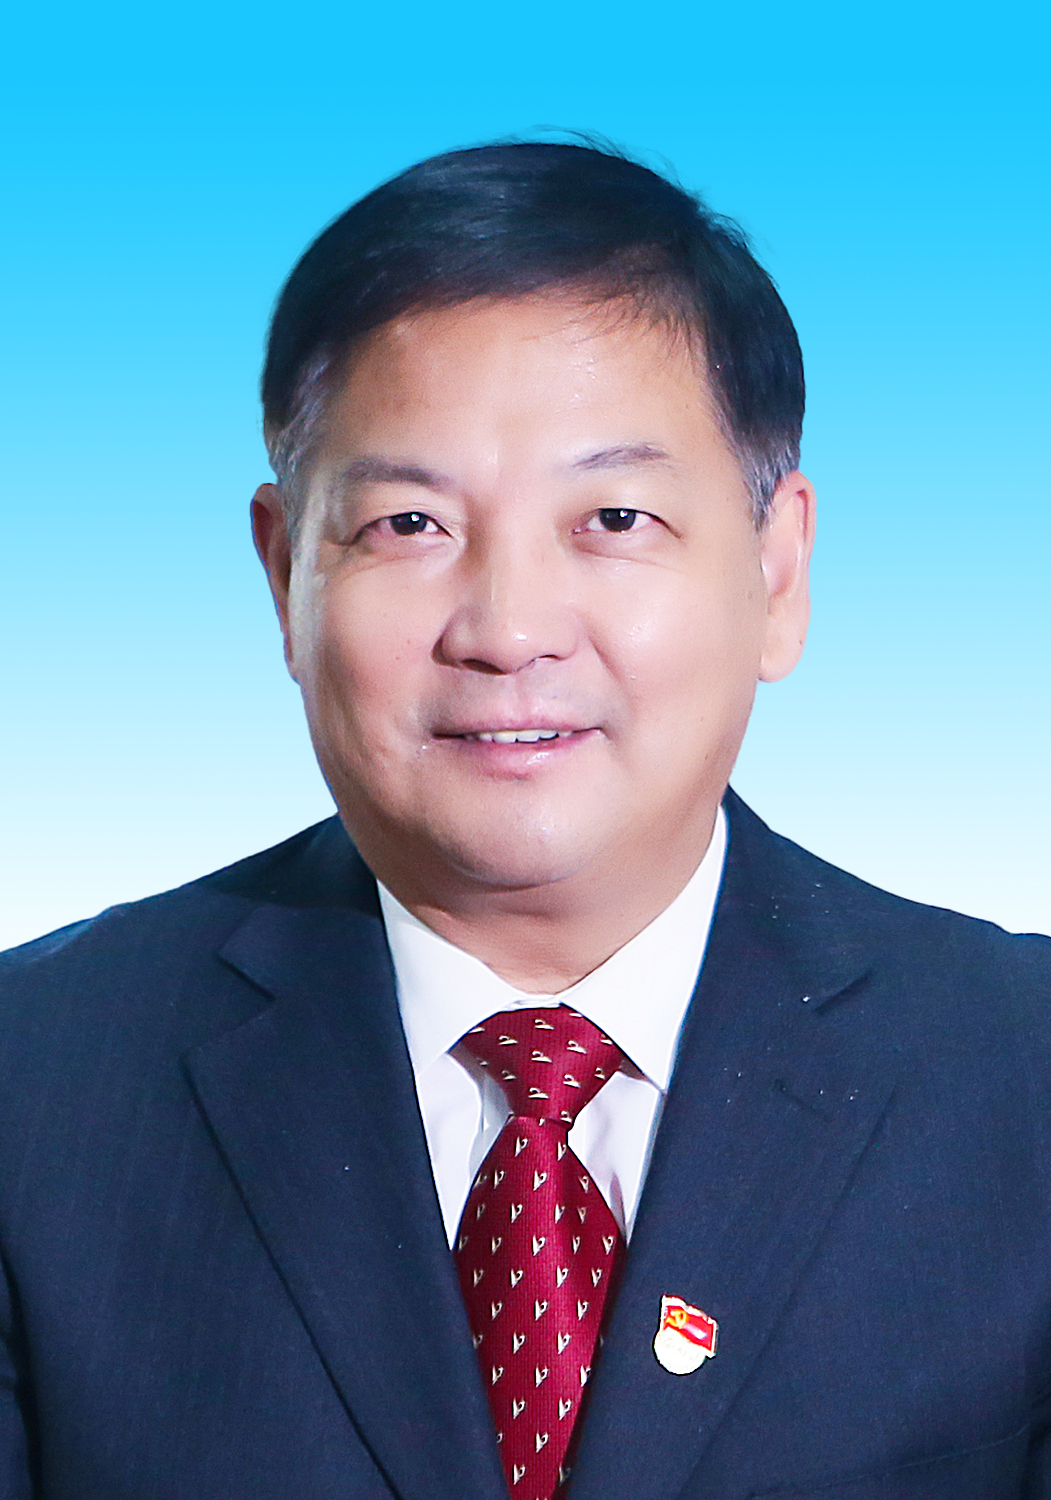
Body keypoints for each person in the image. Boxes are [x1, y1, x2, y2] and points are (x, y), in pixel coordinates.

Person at [0, 140, 1049, 1500]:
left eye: (612, 515)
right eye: (408, 525)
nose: (506, 630)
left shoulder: (1020, 1076)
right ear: (283, 576)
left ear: (778, 572)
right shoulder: (38, 1088)